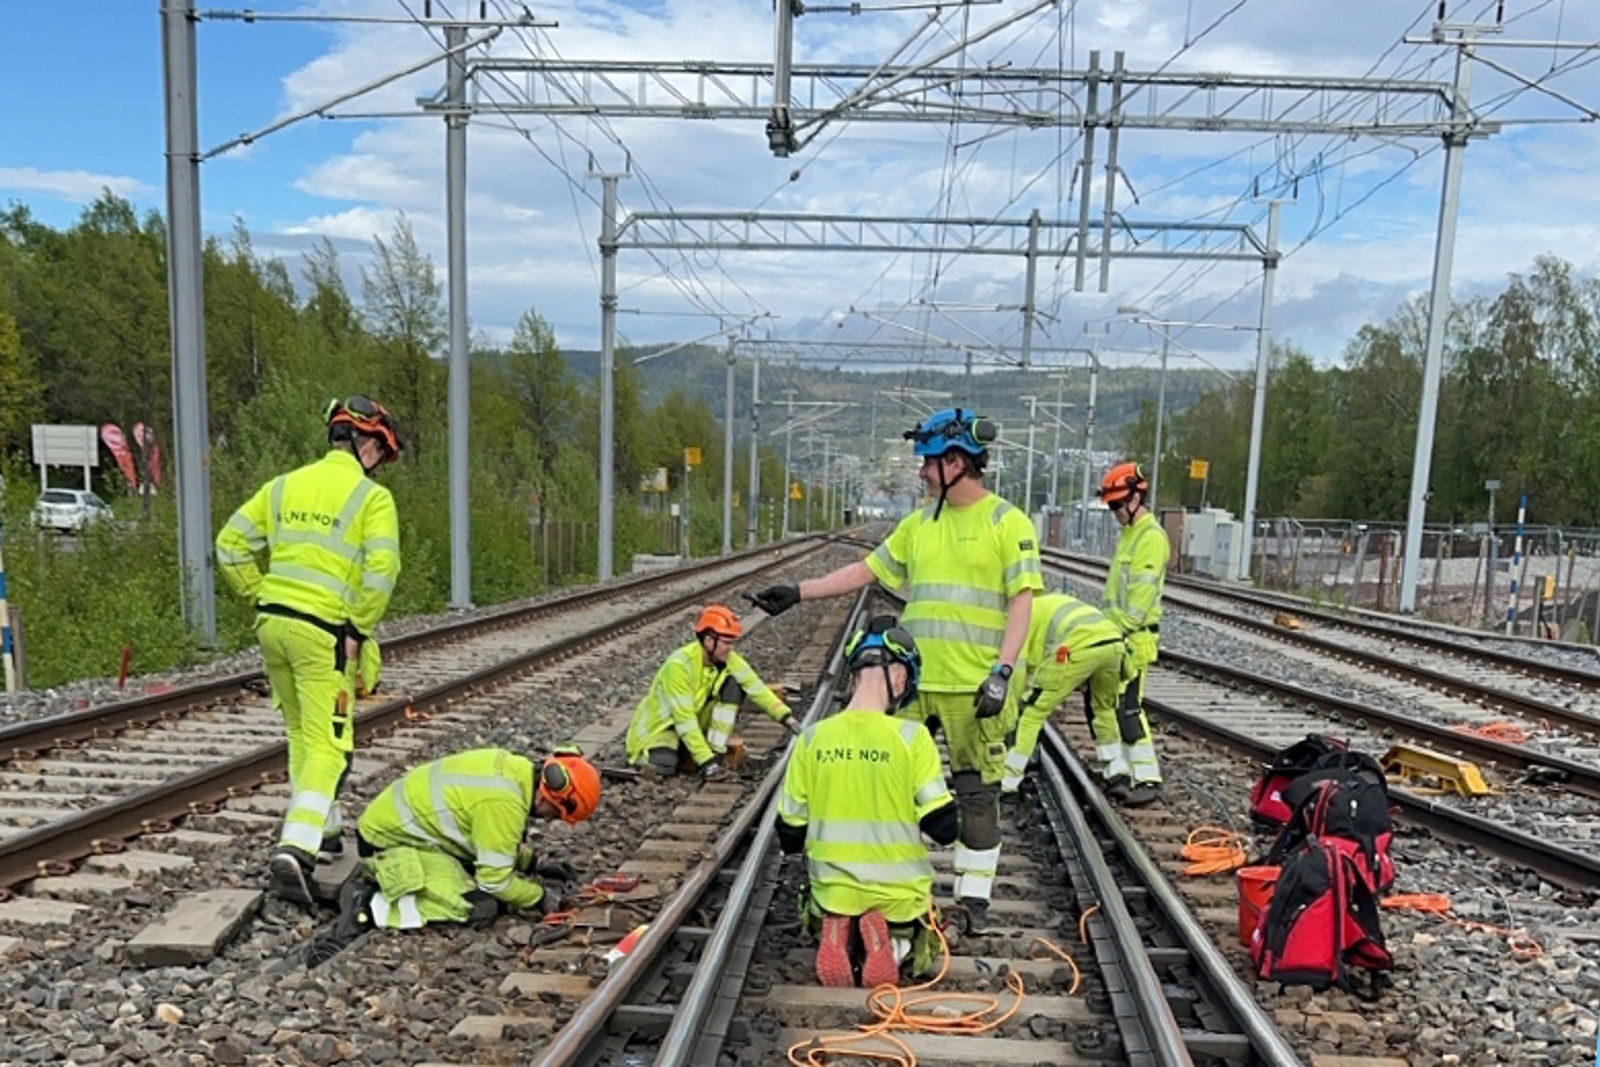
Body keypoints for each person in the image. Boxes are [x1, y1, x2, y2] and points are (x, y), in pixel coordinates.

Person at [753, 408, 1042, 931]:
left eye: (929, 463)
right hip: (914, 685)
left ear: (956, 462)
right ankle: (889, 893)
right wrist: (800, 593)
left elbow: (1023, 602)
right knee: (890, 785)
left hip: (973, 688)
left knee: (977, 794)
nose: (922, 473)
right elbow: (867, 570)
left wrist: (1002, 672)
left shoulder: (1008, 523)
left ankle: (973, 903)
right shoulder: (919, 524)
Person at [215, 396, 403, 905]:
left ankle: (326, 831)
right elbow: (383, 572)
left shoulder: (283, 487)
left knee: (302, 732)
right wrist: (358, 628)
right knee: (331, 743)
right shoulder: (370, 499)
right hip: (324, 632)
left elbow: (230, 545)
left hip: (273, 625)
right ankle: (296, 848)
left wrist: (261, 592)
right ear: (367, 444)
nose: (381, 467)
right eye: (382, 455)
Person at [777, 618, 955, 988]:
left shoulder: (812, 739)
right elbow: (943, 827)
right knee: (918, 936)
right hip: (899, 895)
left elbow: (790, 834)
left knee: (830, 898)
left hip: (832, 888)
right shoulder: (913, 737)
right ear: (901, 678)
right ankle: (892, 946)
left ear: (855, 675)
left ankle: (837, 925)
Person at [304, 745, 601, 967]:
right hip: (390, 846)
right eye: (556, 814)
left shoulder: (515, 770)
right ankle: (368, 903)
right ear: (549, 795)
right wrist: (540, 898)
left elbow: (484, 836)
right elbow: (494, 881)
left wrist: (534, 863)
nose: (550, 820)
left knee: (485, 890)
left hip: (408, 829)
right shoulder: (504, 803)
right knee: (476, 906)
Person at [624, 605, 796, 781]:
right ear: (708, 640)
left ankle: (716, 749)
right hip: (661, 728)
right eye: (726, 643)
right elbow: (684, 719)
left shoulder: (728, 660)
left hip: (690, 724)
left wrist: (789, 720)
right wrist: (707, 763)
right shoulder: (679, 666)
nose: (730, 648)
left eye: (732, 643)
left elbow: (757, 689)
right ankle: (697, 755)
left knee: (733, 685)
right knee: (663, 767)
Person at [998, 591, 1124, 796]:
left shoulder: (1020, 619)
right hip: (1113, 644)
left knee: (1031, 712)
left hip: (1077, 647)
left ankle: (1008, 781)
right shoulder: (1047, 603)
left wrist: (1011, 705)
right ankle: (1117, 772)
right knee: (1103, 709)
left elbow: (1018, 670)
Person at [1097, 462, 1167, 803]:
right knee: (1107, 706)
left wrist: (1119, 632)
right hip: (1117, 637)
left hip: (1133, 639)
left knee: (1128, 708)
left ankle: (1148, 778)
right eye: (1111, 505)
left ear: (1137, 497)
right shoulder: (1129, 536)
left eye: (1117, 504)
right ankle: (1120, 774)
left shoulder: (1150, 538)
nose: (1114, 512)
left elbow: (1139, 598)